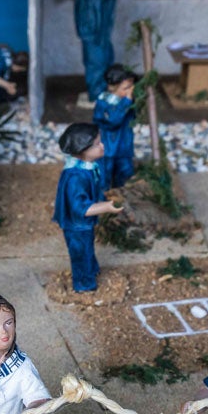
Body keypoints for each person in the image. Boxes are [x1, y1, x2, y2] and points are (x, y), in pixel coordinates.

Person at [52, 123, 123, 293]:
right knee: (80, 252)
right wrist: (105, 206)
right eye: (98, 144)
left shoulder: (87, 168)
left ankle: (91, 270)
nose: (103, 146)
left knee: (87, 247)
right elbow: (80, 208)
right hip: (77, 224)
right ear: (84, 149)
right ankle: (84, 284)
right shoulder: (76, 177)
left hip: (84, 224)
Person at [92, 64, 136, 190]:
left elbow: (133, 117)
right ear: (114, 87)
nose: (130, 91)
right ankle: (103, 196)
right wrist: (127, 101)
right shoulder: (104, 102)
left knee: (125, 170)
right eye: (126, 88)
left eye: (131, 87)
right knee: (105, 173)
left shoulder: (127, 102)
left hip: (124, 145)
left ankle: (121, 192)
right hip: (108, 147)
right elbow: (113, 120)